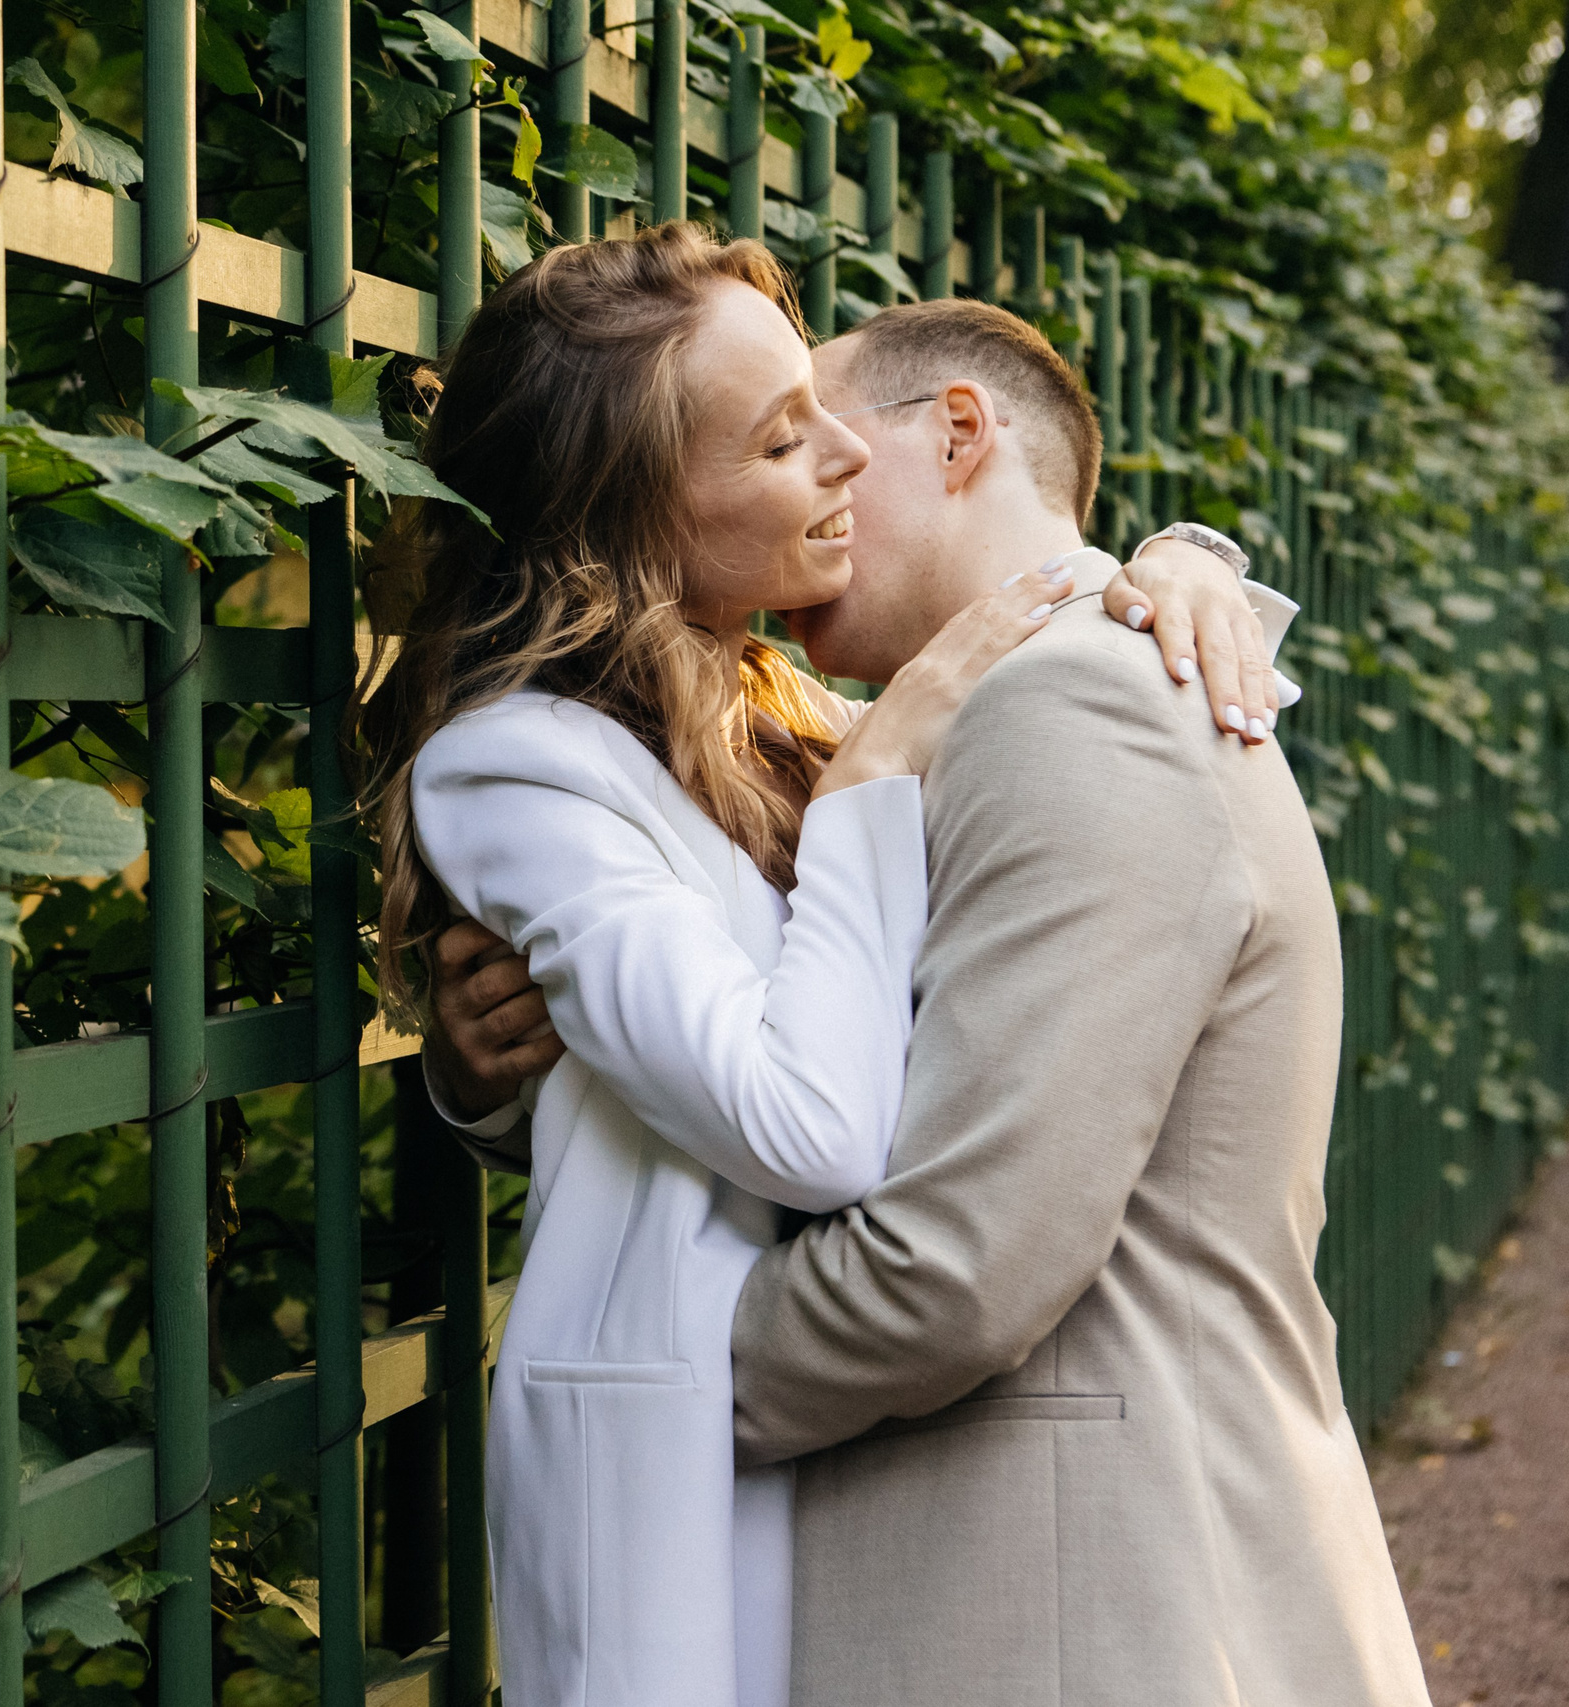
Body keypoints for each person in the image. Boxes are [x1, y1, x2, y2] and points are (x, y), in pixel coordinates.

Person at [420, 292, 1432, 1707]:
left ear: (959, 434)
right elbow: (755, 1034)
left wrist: (644, 1380)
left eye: (827, 430)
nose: (822, 478)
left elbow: (953, 1267)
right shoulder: (905, 728)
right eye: (782, 443)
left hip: (1086, 1591)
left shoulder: (1073, 706)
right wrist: (495, 1079)